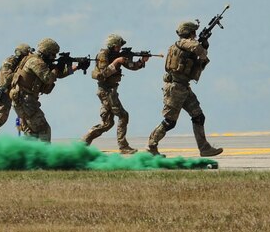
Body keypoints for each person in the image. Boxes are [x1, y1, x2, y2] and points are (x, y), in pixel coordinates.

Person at [146, 21, 223, 158]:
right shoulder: (183, 43)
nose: (195, 35)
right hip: (175, 88)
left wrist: (204, 46)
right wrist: (202, 45)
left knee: (198, 116)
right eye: (194, 32)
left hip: (183, 87)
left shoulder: (184, 46)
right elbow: (197, 49)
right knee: (170, 122)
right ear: (189, 33)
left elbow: (199, 61)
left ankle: (204, 148)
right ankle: (151, 146)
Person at [82, 34, 150, 154]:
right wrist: (116, 61)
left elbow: (132, 66)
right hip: (106, 91)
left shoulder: (117, 56)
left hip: (110, 91)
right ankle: (123, 146)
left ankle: (82, 143)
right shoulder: (103, 55)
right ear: (113, 46)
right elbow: (102, 74)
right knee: (123, 116)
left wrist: (141, 61)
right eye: (118, 46)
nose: (120, 49)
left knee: (107, 123)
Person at [9, 38, 78, 142]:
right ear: (46, 52)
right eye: (53, 54)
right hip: (25, 101)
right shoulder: (36, 62)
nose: (54, 57)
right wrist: (58, 66)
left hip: (23, 101)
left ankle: (25, 155)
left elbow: (57, 74)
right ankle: (45, 156)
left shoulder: (37, 61)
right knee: (44, 129)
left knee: (32, 134)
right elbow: (48, 78)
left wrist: (76, 67)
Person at [0, 43, 32, 134]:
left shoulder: (20, 63)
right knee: (1, 117)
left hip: (13, 92)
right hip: (4, 91)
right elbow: (6, 78)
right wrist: (21, 74)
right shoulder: (9, 61)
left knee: (24, 116)